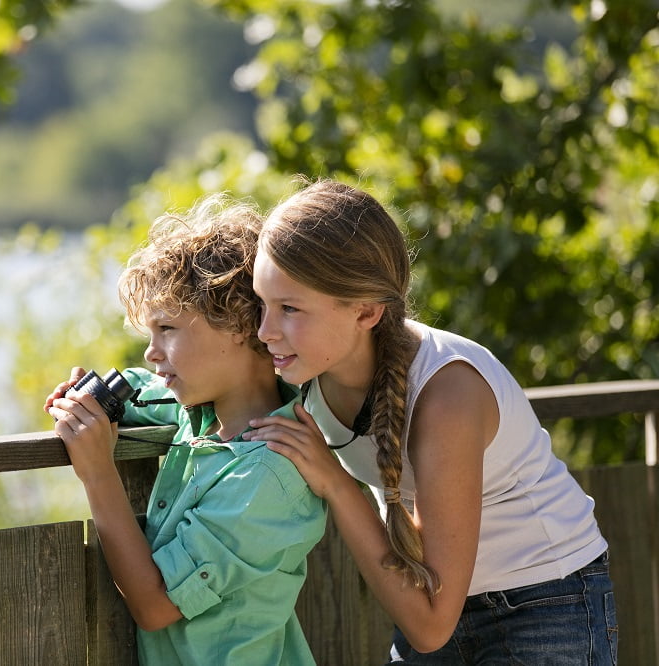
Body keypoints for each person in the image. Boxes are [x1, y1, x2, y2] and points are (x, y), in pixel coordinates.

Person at [243, 178, 618, 664]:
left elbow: (430, 626)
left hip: (544, 603)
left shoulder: (446, 395)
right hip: (435, 601)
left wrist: (335, 483)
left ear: (366, 312)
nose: (265, 331)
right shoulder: (300, 362)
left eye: (290, 309)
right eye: (262, 303)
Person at [44, 196, 326, 665]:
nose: (152, 353)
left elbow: (155, 607)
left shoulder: (266, 478)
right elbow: (144, 387)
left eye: (167, 329)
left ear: (239, 325)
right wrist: (90, 395)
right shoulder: (201, 413)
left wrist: (97, 473)